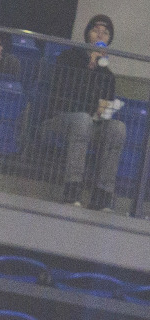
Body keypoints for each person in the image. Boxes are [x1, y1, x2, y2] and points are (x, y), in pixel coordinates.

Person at [44, 15, 128, 210]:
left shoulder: (107, 76)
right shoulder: (67, 59)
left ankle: (102, 194)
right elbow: (62, 97)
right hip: (61, 119)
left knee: (117, 128)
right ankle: (72, 189)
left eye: (105, 33)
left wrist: (103, 113)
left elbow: (104, 109)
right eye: (95, 30)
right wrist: (88, 67)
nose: (100, 35)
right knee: (82, 120)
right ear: (87, 34)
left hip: (91, 122)